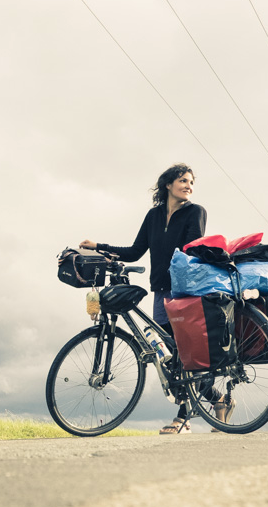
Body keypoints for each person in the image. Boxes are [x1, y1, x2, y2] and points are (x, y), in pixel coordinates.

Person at [80, 163, 204, 435]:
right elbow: (135, 251)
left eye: (191, 182)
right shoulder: (154, 216)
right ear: (168, 184)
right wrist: (99, 247)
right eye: (183, 180)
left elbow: (193, 249)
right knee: (170, 356)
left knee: (185, 355)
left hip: (184, 291)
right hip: (161, 291)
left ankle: (184, 418)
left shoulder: (195, 212)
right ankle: (219, 399)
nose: (188, 185)